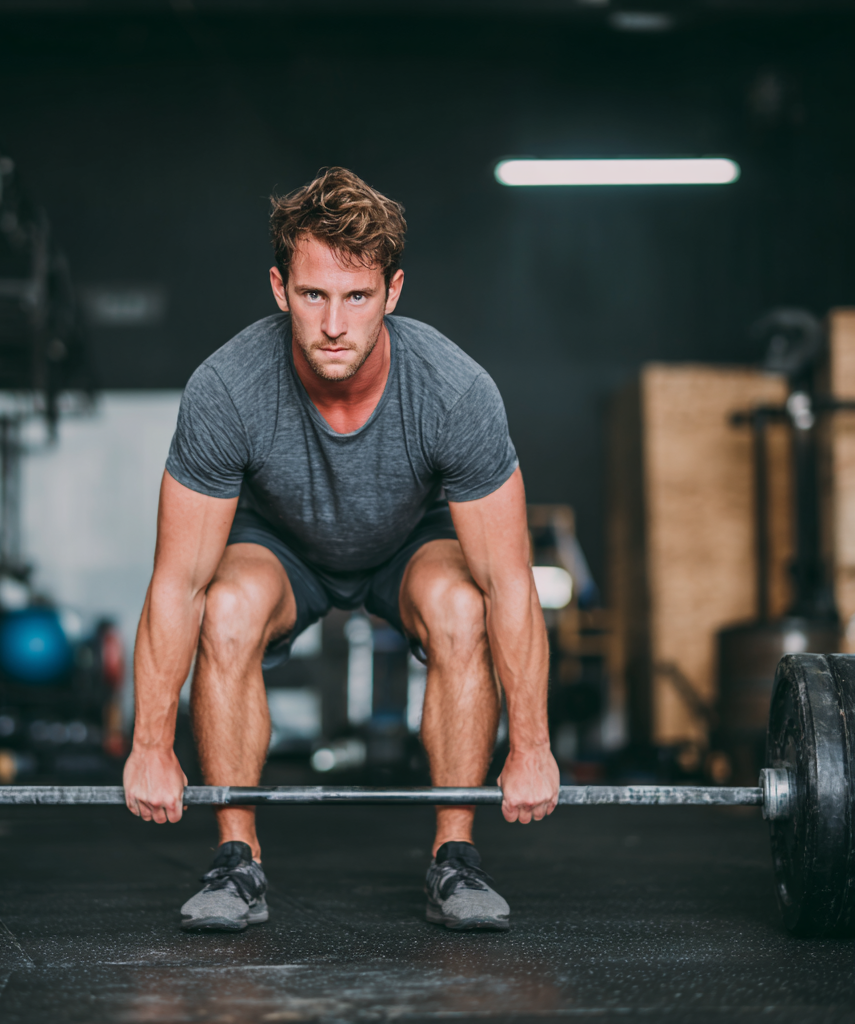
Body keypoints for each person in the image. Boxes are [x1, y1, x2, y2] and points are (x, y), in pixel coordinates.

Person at [122, 166, 559, 933]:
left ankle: (455, 859)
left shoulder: (455, 393)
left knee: (464, 606)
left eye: (356, 297)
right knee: (225, 608)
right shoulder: (227, 389)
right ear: (278, 289)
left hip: (409, 544)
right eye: (313, 295)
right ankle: (236, 860)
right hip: (281, 546)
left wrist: (531, 746)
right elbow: (177, 584)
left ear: (392, 292)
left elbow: (510, 584)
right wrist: (150, 745)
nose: (332, 323)